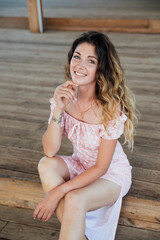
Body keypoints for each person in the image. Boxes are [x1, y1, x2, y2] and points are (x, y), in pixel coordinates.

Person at [33, 31, 138, 240]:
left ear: (101, 69)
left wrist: (57, 192)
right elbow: (50, 150)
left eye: (90, 61)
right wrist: (58, 109)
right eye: (77, 57)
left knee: (74, 199)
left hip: (110, 175)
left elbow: (101, 167)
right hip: (80, 164)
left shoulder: (110, 108)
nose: (80, 65)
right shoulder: (64, 94)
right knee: (45, 163)